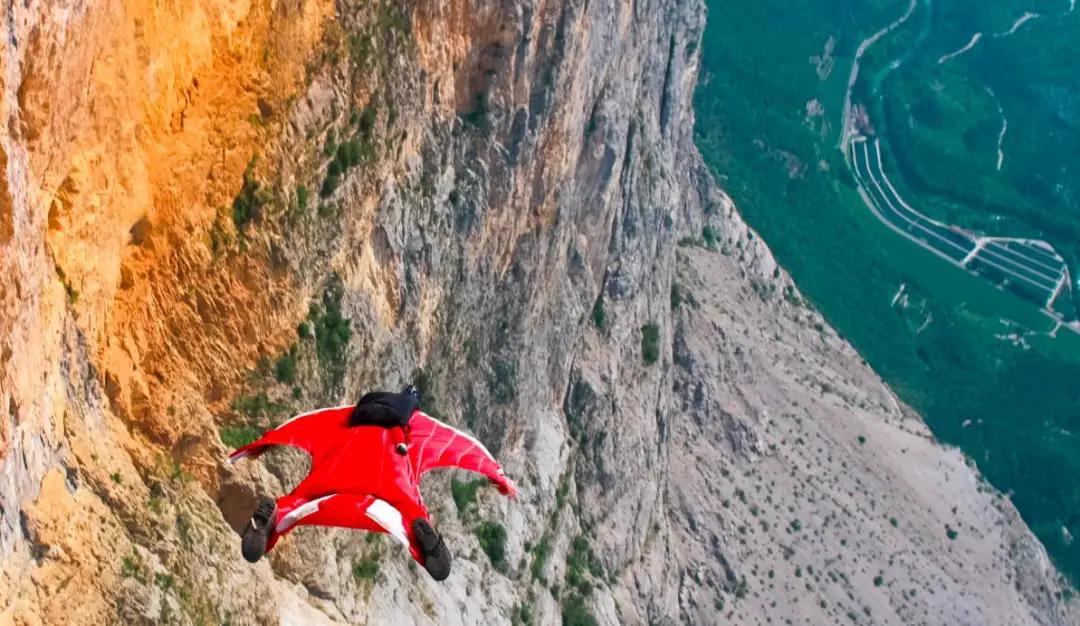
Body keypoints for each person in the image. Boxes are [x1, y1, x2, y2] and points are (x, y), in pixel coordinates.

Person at [226, 385, 517, 581]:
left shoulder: (343, 418)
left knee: (299, 501)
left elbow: (301, 424)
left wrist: (256, 447)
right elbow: (461, 446)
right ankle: (430, 549)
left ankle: (270, 522)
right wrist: (498, 476)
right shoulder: (419, 425)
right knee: (412, 514)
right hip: (390, 478)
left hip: (336, 471)